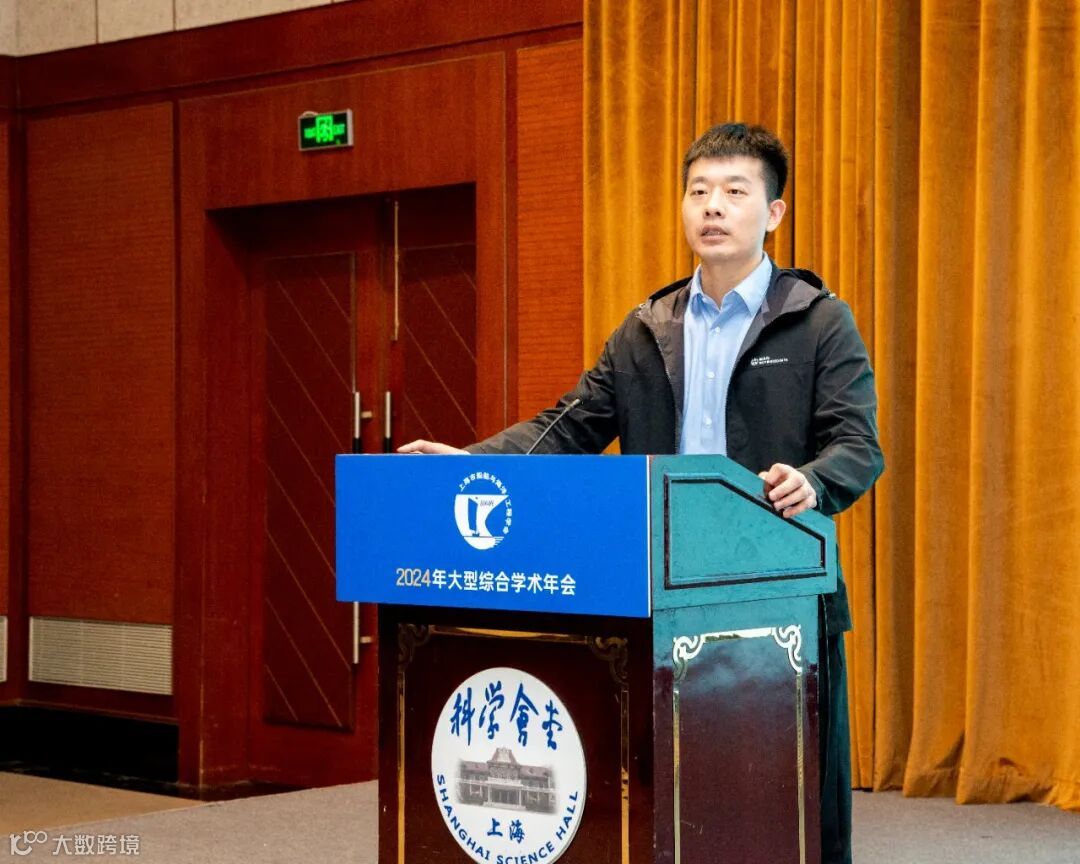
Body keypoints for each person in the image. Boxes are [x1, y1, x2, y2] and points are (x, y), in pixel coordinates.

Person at [399, 122, 884, 864]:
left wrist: (813, 480)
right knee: (672, 795)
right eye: (698, 191)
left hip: (777, 590)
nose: (712, 206)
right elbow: (567, 426)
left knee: (790, 798)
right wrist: (469, 462)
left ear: (774, 212)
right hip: (662, 587)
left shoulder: (817, 321)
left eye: (734, 191)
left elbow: (858, 445)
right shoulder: (647, 328)